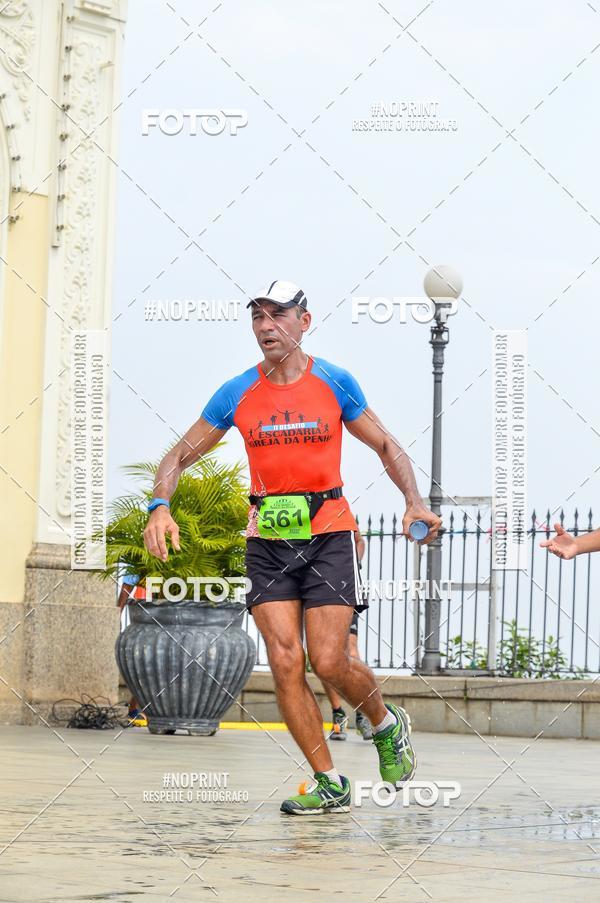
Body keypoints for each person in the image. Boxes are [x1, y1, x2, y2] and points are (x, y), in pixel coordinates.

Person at [143, 279, 441, 816]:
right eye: (256, 316)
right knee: (284, 662)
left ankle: (384, 723)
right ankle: (328, 780)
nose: (264, 326)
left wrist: (413, 500)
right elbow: (176, 457)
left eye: (277, 315)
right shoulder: (237, 391)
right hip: (268, 542)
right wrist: (158, 506)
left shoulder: (334, 381)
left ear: (305, 321)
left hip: (328, 533)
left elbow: (386, 443)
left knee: (329, 660)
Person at [320, 530, 373, 741]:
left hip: (343, 585)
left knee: (350, 649)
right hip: (313, 587)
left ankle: (363, 712)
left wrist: (352, 565)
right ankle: (338, 714)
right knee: (322, 654)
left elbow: (359, 541)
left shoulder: (336, 506)